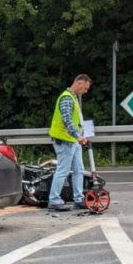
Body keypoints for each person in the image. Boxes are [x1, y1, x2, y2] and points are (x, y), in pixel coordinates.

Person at [47, 74, 92, 211]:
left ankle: (78, 199)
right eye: (85, 88)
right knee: (63, 170)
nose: (85, 91)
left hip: (73, 140)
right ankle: (54, 200)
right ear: (79, 83)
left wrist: (80, 136)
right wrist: (78, 136)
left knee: (79, 170)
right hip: (65, 140)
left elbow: (76, 120)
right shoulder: (67, 98)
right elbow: (67, 120)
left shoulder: (73, 97)